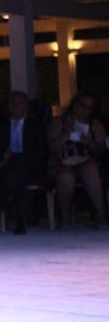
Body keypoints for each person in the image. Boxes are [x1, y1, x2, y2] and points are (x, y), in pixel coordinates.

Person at [0, 92, 47, 234]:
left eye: (20, 103)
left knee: (17, 164)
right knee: (16, 175)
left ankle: (1, 198)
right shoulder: (0, 126)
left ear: (26, 106)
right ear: (8, 107)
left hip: (30, 167)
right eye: (13, 103)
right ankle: (20, 217)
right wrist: (4, 157)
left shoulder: (36, 126)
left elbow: (41, 152)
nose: (16, 106)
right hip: (7, 168)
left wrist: (19, 158)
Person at [47, 92, 107, 228]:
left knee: (91, 171)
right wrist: (65, 135)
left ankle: (101, 214)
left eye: (89, 108)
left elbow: (102, 151)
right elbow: (52, 148)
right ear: (74, 104)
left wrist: (90, 143)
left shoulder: (94, 125)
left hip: (87, 161)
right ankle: (65, 214)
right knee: (66, 177)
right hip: (63, 161)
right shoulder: (58, 122)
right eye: (82, 106)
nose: (85, 110)